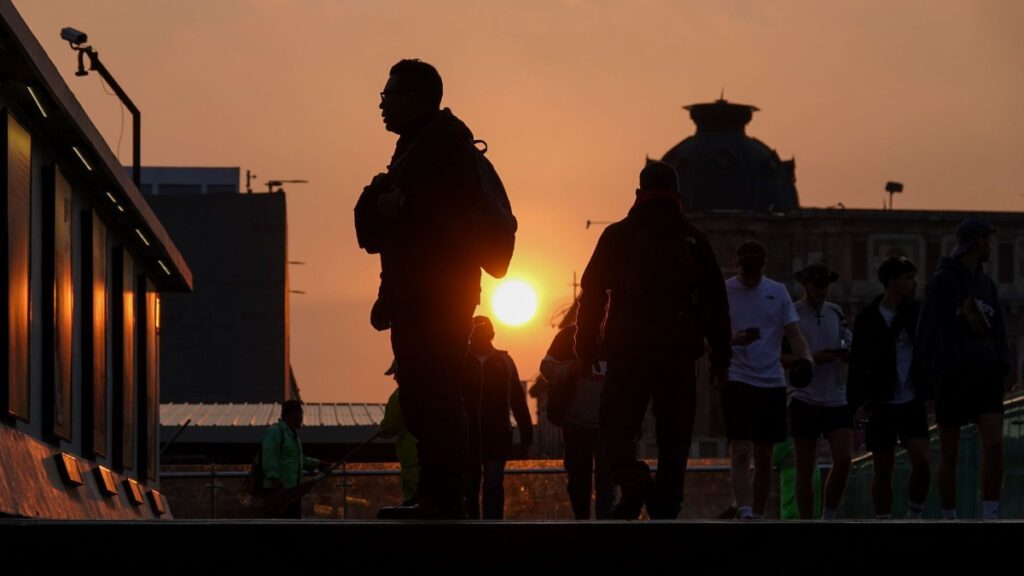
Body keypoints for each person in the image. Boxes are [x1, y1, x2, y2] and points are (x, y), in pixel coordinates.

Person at [355, 59, 483, 519]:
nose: (382, 105)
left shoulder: (444, 141)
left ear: (412, 98)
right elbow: (393, 238)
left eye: (387, 95)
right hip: (416, 293)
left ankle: (446, 498)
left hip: (439, 295)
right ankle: (434, 494)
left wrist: (402, 203)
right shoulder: (417, 143)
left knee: (436, 392)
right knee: (420, 393)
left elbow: (456, 209)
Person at [574, 161, 732, 520]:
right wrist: (721, 359)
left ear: (638, 194)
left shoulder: (617, 236)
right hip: (678, 352)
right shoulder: (694, 240)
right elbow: (716, 303)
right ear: (677, 196)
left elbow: (592, 294)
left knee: (615, 431)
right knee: (675, 437)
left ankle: (636, 482)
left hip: (627, 349)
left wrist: (585, 348)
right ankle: (666, 507)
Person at [917, 216, 1009, 520]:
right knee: (950, 451)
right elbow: (927, 331)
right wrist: (932, 377)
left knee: (995, 445)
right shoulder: (942, 282)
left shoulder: (986, 284)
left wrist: (1001, 364)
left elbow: (999, 330)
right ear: (978, 242)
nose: (991, 245)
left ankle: (991, 513)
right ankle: (950, 516)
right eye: (988, 240)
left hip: (986, 376)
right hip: (953, 377)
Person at [720, 240, 812, 520]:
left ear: (764, 266)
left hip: (771, 381)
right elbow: (711, 337)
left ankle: (756, 514)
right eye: (746, 271)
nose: (751, 277)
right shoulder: (724, 291)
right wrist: (734, 340)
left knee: (764, 455)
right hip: (737, 377)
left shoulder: (778, 291)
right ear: (736, 265)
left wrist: (806, 359)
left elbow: (794, 333)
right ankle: (745, 510)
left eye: (756, 271)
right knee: (740, 449)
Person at [847, 256, 930, 519]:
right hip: (880, 402)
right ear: (893, 282)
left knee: (923, 461)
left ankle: (914, 514)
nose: (914, 283)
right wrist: (857, 403)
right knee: (883, 467)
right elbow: (857, 363)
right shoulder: (867, 318)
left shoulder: (917, 313)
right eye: (908, 278)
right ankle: (883, 520)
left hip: (912, 399)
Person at [785, 263, 853, 520]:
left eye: (825, 285)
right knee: (805, 467)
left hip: (836, 395)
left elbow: (847, 338)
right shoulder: (792, 313)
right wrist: (812, 360)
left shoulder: (835, 311)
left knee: (844, 460)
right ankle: (807, 522)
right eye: (817, 285)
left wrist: (846, 352)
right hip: (804, 396)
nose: (821, 290)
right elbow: (782, 355)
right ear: (806, 286)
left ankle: (828, 516)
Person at [539, 300, 615, 520]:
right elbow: (546, 368)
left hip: (608, 426)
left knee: (608, 479)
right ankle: (582, 523)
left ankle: (604, 525)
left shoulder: (618, 339)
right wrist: (573, 367)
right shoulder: (567, 336)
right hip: (576, 424)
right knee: (578, 481)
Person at [460, 316, 533, 519]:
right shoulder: (460, 361)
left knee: (492, 485)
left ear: (491, 335)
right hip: (467, 438)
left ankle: (492, 529)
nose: (479, 338)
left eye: (483, 334)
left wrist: (527, 438)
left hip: (497, 437)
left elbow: (518, 401)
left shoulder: (505, 362)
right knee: (469, 489)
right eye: (476, 334)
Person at [260, 400, 326, 518]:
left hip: (291, 492)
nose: (301, 418)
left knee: (291, 524)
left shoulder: (292, 436)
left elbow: (298, 460)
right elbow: (269, 458)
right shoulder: (275, 432)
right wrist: (275, 482)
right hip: (278, 492)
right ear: (293, 414)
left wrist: (318, 464)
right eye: (300, 414)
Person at [378, 361, 419, 506]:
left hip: (414, 458)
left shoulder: (401, 395)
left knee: (414, 502)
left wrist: (381, 430)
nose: (394, 378)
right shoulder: (438, 392)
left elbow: (389, 426)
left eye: (396, 373)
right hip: (440, 459)